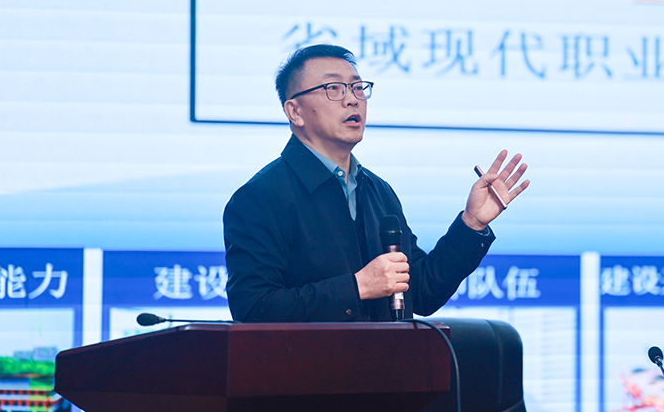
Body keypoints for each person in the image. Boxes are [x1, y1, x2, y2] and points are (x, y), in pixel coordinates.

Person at [223, 44, 529, 323]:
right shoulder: (260, 198)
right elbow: (253, 308)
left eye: (358, 87)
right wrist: (357, 287)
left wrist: (472, 223)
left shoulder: (378, 191)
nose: (352, 99)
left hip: (388, 365)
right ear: (295, 111)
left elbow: (421, 292)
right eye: (333, 88)